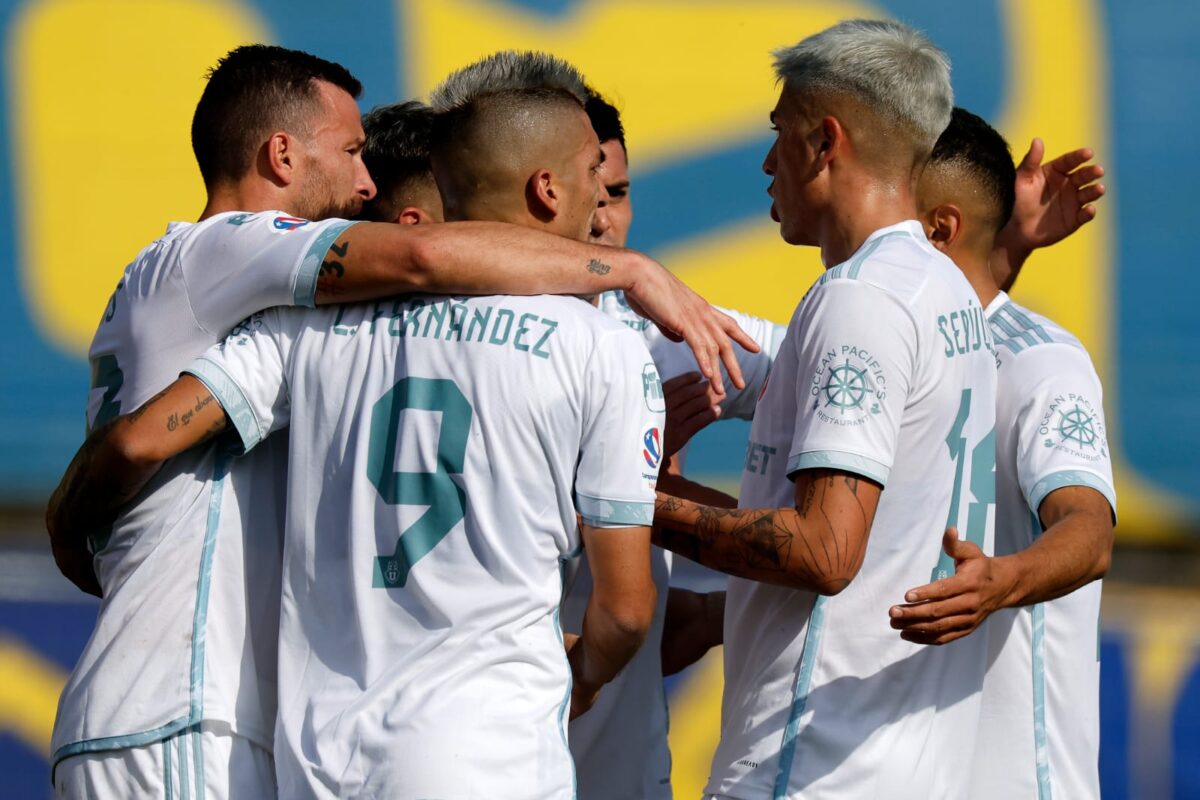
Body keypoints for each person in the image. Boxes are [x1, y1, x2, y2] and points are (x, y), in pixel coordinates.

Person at [44, 44, 753, 799]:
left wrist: (74, 532)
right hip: (193, 714)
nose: (365, 181)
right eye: (350, 152)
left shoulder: (275, 323)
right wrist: (632, 270)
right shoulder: (234, 248)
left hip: (269, 739)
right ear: (281, 154)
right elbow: (419, 255)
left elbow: (132, 439)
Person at [651, 20, 997, 798]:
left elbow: (823, 551)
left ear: (824, 142)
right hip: (904, 761)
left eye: (780, 134)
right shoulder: (946, 292)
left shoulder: (862, 299)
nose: (769, 162)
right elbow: (862, 538)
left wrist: (626, 499)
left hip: (814, 766)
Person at [890, 107, 1115, 798]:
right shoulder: (890, 343)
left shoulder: (1043, 363)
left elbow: (1089, 530)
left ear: (937, 226)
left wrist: (999, 583)